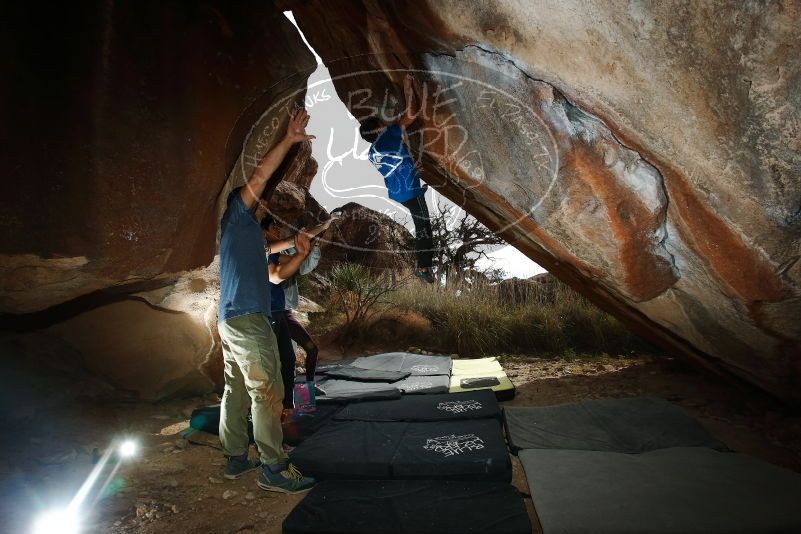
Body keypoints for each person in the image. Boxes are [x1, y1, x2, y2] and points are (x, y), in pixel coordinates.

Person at [217, 108, 316, 494]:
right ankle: (273, 466)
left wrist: (301, 250)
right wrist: (289, 139)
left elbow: (278, 273)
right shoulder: (237, 217)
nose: (262, 201)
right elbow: (260, 175)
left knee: (236, 389)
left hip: (231, 322)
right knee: (267, 390)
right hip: (247, 319)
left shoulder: (253, 244)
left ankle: (237, 458)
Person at [359, 73, 436, 283]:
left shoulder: (372, 152)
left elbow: (395, 162)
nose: (384, 122)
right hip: (411, 189)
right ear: (377, 129)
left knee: (421, 224)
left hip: (398, 193)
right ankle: (425, 268)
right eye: (380, 123)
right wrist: (407, 86)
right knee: (424, 228)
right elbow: (411, 113)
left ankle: (425, 266)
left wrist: (412, 165)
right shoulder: (390, 134)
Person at [262, 214, 332, 414]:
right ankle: (280, 407)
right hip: (273, 315)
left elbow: (303, 264)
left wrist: (315, 242)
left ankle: (304, 393)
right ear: (264, 231)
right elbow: (282, 272)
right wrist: (320, 229)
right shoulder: (266, 251)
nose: (277, 229)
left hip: (284, 314)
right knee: (282, 362)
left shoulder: (275, 253)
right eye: (273, 226)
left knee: (302, 354)